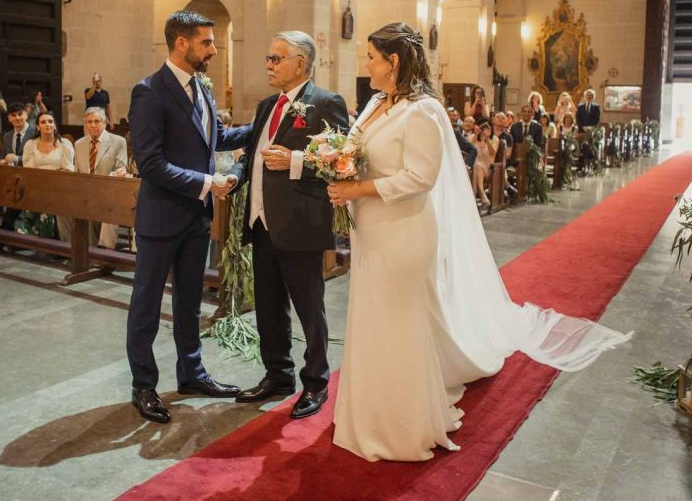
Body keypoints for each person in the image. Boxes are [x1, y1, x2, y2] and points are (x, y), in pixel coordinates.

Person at [326, 23, 630, 462]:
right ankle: (367, 404)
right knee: (371, 315)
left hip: (405, 229)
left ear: (393, 62)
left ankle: (401, 420)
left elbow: (420, 178)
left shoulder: (424, 111)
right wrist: (326, 162)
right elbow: (352, 150)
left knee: (400, 319)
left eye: (372, 57)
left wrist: (358, 191)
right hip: (371, 230)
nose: (367, 64)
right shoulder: (374, 103)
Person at [127, 10, 251, 425]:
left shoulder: (203, 89)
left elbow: (218, 137)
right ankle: (143, 384)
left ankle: (192, 374)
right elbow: (150, 163)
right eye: (207, 43)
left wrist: (268, 123)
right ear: (182, 43)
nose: (214, 50)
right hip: (161, 218)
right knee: (146, 303)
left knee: (189, 301)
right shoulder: (149, 92)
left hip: (196, 218)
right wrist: (206, 182)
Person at [229, 31, 349, 420]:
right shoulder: (267, 105)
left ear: (300, 62)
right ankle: (277, 374)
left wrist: (296, 160)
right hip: (262, 222)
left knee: (309, 307)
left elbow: (342, 160)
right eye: (268, 57)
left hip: (300, 223)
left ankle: (315, 382)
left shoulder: (325, 103)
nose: (268, 64)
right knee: (268, 306)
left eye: (276, 58)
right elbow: (251, 154)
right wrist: (235, 176)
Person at [59, 107, 128, 248]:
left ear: (104, 123)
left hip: (108, 191)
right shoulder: (79, 144)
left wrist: (116, 174)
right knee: (61, 208)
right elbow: (78, 172)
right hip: (85, 191)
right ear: (85, 125)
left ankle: (100, 253)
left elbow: (120, 168)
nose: (93, 125)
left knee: (99, 208)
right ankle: (71, 248)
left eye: (97, 121)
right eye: (89, 122)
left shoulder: (118, 141)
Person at [22, 110, 75, 239]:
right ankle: (36, 239)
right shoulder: (30, 144)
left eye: (50, 121)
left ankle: (53, 240)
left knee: (52, 200)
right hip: (36, 185)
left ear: (54, 125)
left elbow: (68, 168)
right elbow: (29, 169)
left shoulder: (64, 144)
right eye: (43, 122)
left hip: (60, 186)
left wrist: (53, 180)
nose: (47, 124)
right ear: (37, 126)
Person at [0, 102, 37, 233]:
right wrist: (2, 161)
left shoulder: (35, 133)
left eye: (20, 114)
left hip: (32, 178)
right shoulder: (7, 136)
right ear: (9, 118)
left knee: (12, 210)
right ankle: (5, 233)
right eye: (13, 115)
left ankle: (5, 234)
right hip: (13, 180)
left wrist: (18, 159)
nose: (17, 118)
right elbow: (3, 156)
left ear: (26, 115)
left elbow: (38, 157)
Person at [472, 121, 498, 208]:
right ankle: (481, 193)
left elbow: (493, 152)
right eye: (482, 128)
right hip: (473, 168)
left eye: (486, 129)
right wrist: (476, 135)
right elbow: (468, 148)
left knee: (478, 165)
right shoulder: (473, 137)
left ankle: (477, 195)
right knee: (477, 165)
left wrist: (487, 139)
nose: (484, 131)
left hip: (488, 168)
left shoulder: (494, 139)